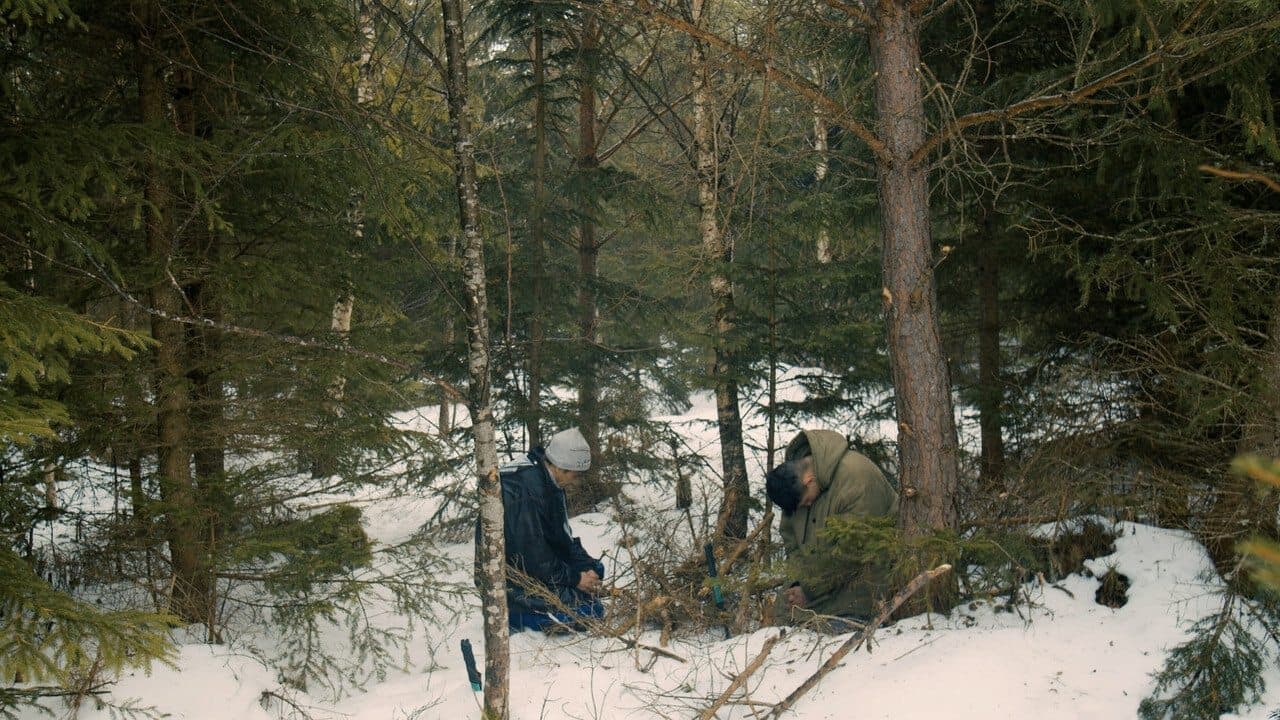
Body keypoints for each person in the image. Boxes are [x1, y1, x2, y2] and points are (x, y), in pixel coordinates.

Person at [765, 428, 898, 631]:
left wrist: (808, 589)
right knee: (778, 632)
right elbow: (792, 545)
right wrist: (795, 585)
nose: (807, 507)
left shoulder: (857, 478)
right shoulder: (793, 486)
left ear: (809, 480)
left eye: (806, 502)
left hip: (863, 587)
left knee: (817, 640)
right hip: (819, 587)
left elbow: (853, 550)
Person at [486, 427, 606, 632]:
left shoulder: (549, 481)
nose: (575, 481)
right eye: (575, 475)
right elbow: (533, 558)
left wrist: (585, 567)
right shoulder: (522, 491)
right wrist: (576, 579)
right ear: (560, 467)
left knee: (597, 570)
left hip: (543, 566)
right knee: (591, 611)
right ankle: (518, 616)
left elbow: (561, 538)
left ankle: (570, 592)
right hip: (514, 585)